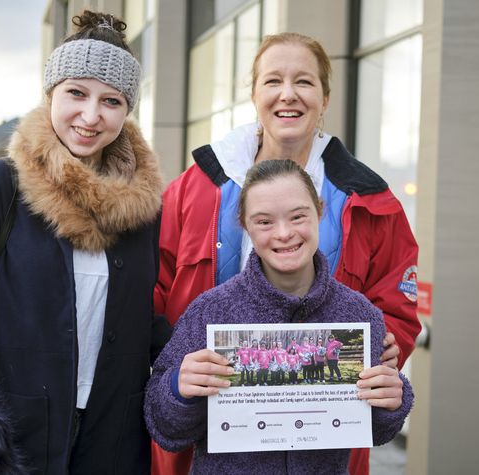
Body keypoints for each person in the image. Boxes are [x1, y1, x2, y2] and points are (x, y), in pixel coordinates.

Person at [153, 31, 420, 475]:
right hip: (211, 431)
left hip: (322, 435)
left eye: (305, 82)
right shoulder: (195, 188)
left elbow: (396, 310)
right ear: (254, 94)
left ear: (325, 97)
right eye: (273, 81)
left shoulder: (370, 200)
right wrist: (177, 374)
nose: (288, 95)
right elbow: (155, 292)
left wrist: (377, 356)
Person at [0, 10, 169, 474]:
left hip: (112, 439)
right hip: (11, 437)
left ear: (127, 110)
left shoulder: (141, 207)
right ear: (51, 93)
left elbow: (145, 321)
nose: (91, 116)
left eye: (111, 101)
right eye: (76, 93)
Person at [145, 159, 413, 474]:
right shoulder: (209, 312)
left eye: (298, 216)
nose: (284, 234)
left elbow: (379, 430)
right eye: (264, 222)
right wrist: (178, 387)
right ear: (244, 224)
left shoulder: (358, 315)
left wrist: (394, 397)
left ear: (320, 212)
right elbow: (164, 428)